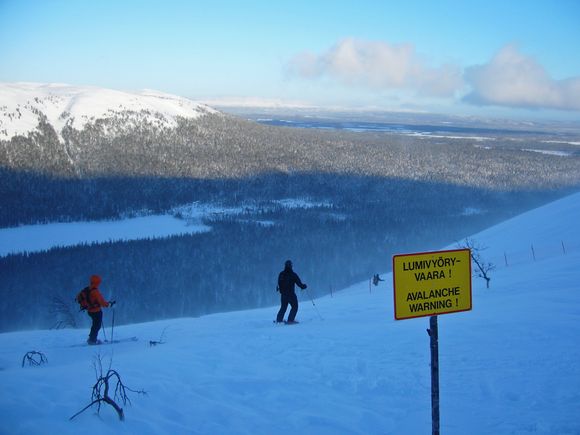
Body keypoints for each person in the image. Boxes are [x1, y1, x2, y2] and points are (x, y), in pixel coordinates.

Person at [76, 275, 115, 345]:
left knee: (95, 325)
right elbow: (102, 302)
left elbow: (78, 297)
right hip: (96, 311)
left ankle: (92, 339)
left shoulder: (87, 289)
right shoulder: (95, 291)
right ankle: (92, 340)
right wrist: (110, 304)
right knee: (97, 325)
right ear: (97, 282)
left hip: (90, 310)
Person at [276, 260, 307, 324]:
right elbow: (299, 284)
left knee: (283, 307)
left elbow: (278, 284)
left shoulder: (281, 274)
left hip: (283, 295)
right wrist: (303, 286)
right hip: (291, 294)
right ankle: (290, 320)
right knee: (295, 306)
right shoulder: (293, 274)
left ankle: (279, 320)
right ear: (291, 266)